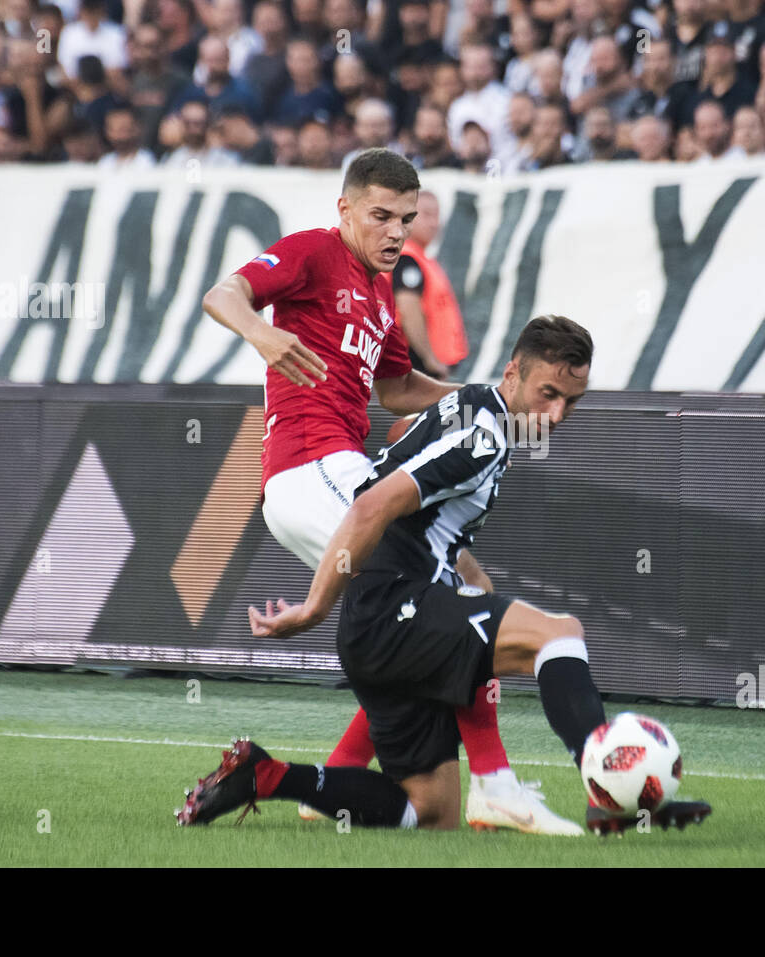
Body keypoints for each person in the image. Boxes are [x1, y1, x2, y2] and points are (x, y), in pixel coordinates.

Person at [176, 316, 713, 835]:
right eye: (547, 392)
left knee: (429, 811)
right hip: (394, 610)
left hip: (376, 627)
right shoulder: (482, 438)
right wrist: (315, 608)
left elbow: (425, 518)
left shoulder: (474, 409)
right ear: (513, 373)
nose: (554, 414)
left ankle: (268, 776)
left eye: (570, 401)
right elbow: (370, 506)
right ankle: (605, 785)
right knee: (559, 634)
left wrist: (477, 596)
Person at [198, 149, 580, 836]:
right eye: (380, 215)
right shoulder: (315, 251)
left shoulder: (379, 291)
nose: (395, 231)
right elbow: (221, 295)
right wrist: (263, 333)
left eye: (405, 217)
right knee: (457, 595)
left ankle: (322, 777)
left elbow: (397, 388)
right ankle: (496, 783)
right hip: (310, 467)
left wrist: (487, 397)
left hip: (340, 469)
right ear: (345, 210)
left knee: (436, 605)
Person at [393, 190, 468, 380]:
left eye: (437, 215)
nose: (435, 223)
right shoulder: (407, 260)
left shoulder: (420, 258)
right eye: (426, 215)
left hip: (429, 368)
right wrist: (430, 360)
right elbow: (408, 309)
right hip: (420, 370)